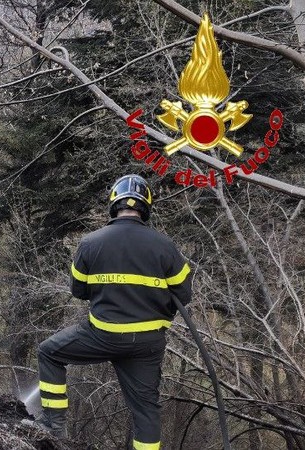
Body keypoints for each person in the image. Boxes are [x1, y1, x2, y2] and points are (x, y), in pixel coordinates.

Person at [33, 174, 191, 449]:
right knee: (146, 411)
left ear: (113, 204)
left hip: (101, 336)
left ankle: (54, 427)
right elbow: (184, 295)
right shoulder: (165, 246)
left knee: (49, 352)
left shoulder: (90, 243)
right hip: (147, 344)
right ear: (146, 207)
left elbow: (79, 291)